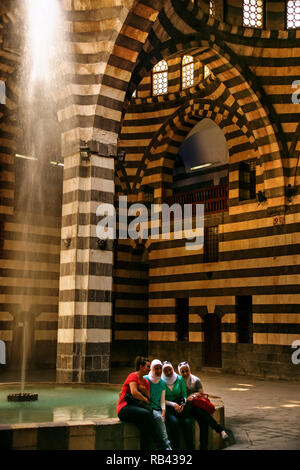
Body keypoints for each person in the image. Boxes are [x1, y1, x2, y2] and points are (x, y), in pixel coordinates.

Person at [178, 361, 230, 450]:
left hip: (196, 406)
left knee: (203, 423)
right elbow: (179, 395)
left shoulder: (196, 380)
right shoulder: (179, 381)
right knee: (201, 414)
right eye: (182, 372)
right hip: (187, 407)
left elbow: (201, 394)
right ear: (179, 372)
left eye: (187, 370)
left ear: (189, 370)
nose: (185, 373)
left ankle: (204, 447)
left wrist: (193, 396)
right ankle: (220, 430)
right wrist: (187, 398)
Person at [117, 356, 158, 450]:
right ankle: (158, 440)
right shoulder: (133, 376)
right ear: (141, 367)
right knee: (147, 414)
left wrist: (144, 392)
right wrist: (144, 398)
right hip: (124, 408)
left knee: (145, 428)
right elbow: (134, 393)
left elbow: (149, 398)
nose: (149, 369)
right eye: (148, 366)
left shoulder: (146, 382)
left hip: (137, 409)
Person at [162, 361, 194, 450]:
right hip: (169, 407)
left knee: (187, 423)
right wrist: (173, 404)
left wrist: (183, 404)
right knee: (174, 423)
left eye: (170, 369)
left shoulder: (179, 379)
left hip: (181, 406)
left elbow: (184, 394)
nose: (168, 372)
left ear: (173, 369)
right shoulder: (161, 382)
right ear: (163, 371)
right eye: (166, 371)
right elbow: (162, 399)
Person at [144, 359, 172, 450]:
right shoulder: (146, 379)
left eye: (160, 368)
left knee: (160, 419)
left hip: (157, 409)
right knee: (159, 420)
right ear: (152, 369)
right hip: (147, 409)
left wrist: (163, 412)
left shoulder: (162, 383)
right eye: (156, 368)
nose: (159, 371)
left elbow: (162, 401)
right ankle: (168, 447)